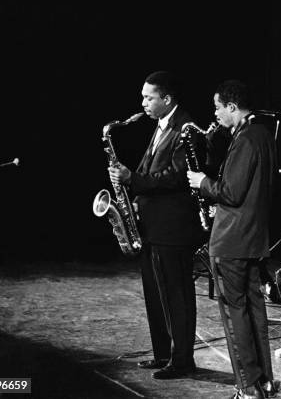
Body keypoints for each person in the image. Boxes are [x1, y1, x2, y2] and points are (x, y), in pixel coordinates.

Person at [109, 71, 203, 379]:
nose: (143, 103)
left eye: (149, 97)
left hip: (173, 228)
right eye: (143, 97)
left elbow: (176, 177)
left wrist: (132, 179)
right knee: (155, 294)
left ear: (167, 99)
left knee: (177, 295)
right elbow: (152, 168)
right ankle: (163, 354)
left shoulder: (185, 128)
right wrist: (133, 194)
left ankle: (183, 360)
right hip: (151, 226)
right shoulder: (160, 126)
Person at [187, 80, 277, 399]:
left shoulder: (246, 139)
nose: (215, 113)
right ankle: (264, 380)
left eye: (217, 107)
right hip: (253, 239)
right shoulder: (263, 134)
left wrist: (202, 182)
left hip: (232, 241)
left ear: (232, 107)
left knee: (234, 314)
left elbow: (231, 192)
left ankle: (247, 387)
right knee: (255, 313)